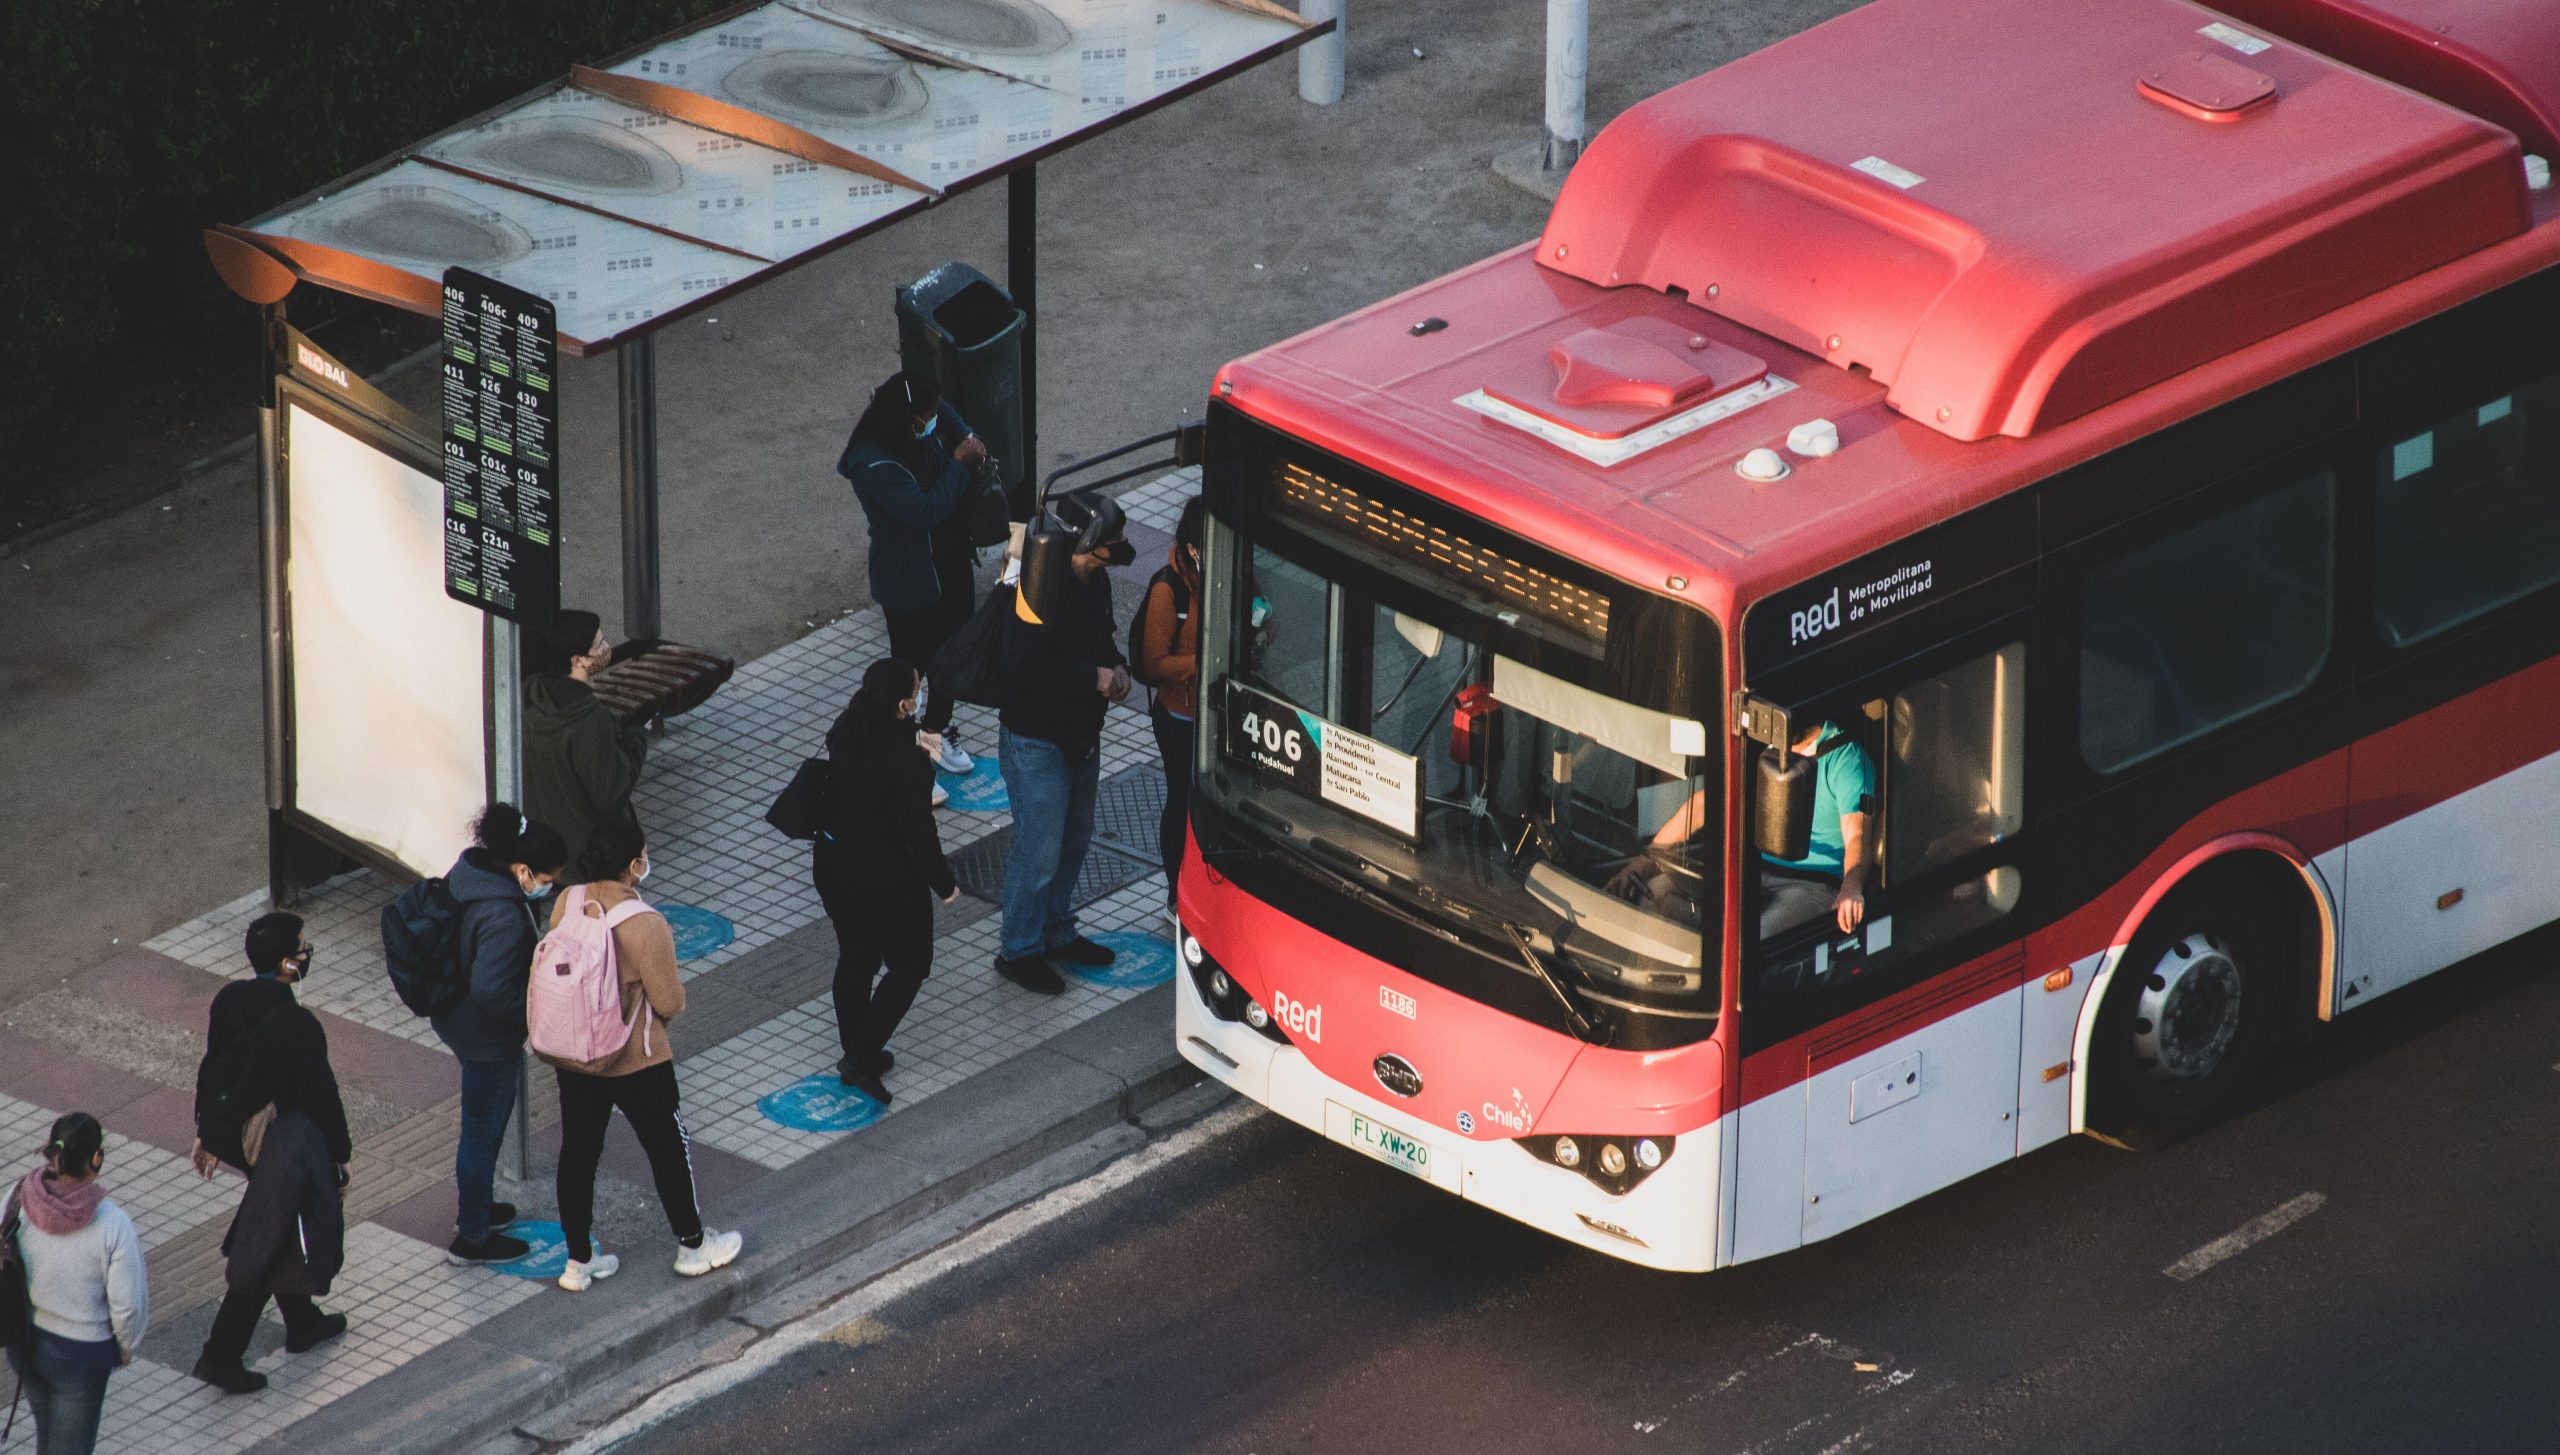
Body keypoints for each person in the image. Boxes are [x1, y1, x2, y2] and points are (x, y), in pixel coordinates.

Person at [540, 819, 742, 1293]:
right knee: (668, 1149)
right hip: (638, 1061)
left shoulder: (568, 902)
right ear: (634, 865)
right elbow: (669, 1002)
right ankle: (693, 1245)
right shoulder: (646, 924)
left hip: (575, 1056)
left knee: (579, 1154)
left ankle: (578, 1259)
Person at [189, 912, 350, 1395]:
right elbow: (320, 1094)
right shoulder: (297, 1024)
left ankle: (301, 1321)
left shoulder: (230, 999)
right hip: (284, 1143)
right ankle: (220, 1355)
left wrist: (208, 1134)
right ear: (287, 963)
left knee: (275, 1220)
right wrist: (340, 1154)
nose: (306, 954)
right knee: (266, 1238)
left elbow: (213, 1068)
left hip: (242, 1139)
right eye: (302, 949)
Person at [992, 493, 1134, 994]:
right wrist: (1089, 677)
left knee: (1074, 841)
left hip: (1081, 736)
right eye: (1109, 547)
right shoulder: (1035, 586)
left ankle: (1055, 930)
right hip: (1037, 742)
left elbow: (1103, 641)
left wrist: (1117, 668)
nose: (1114, 556)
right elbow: (1021, 665)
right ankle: (1019, 949)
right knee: (1040, 851)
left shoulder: (1095, 582)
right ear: (1083, 544)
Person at [814, 658, 961, 1104]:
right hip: (887, 879)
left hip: (835, 867)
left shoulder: (848, 727)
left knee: (857, 956)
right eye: (917, 693)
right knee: (911, 963)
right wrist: (945, 884)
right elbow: (920, 835)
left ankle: (856, 1047)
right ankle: (860, 1056)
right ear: (903, 704)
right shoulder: (906, 760)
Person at [837, 371, 991, 796]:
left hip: (949, 562)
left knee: (953, 653)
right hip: (909, 578)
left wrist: (966, 437)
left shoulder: (915, 423)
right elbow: (924, 511)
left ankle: (934, 736)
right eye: (926, 417)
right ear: (904, 418)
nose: (933, 422)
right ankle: (905, 756)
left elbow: (947, 415)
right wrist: (960, 464)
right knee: (909, 672)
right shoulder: (874, 463)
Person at [433, 803, 568, 1263]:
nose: (546, 889)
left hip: (457, 1016)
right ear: (522, 869)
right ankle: (472, 1237)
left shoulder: (470, 872)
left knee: (484, 1125)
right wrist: (533, 1014)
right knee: (482, 1131)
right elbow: (493, 988)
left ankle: (479, 1210)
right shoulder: (503, 915)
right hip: (485, 1035)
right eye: (546, 880)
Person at [1623, 720, 1874, 937]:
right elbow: (1701, 805)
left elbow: (1857, 836)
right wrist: (1644, 862)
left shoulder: (1846, 758)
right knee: (1654, 894)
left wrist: (1851, 888)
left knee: (1757, 940)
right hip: (1753, 871)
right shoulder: (1766, 747)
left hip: (1810, 884)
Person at [6, 1114, 148, 1455]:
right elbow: (127, 1304)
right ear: (96, 1157)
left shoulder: (19, 1196)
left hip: (24, 1342)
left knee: (48, 1437)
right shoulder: (111, 1223)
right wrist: (127, 1344)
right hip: (81, 1356)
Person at [524, 609, 647, 864]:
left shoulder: (529, 694)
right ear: (579, 660)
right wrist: (635, 736)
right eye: (599, 644)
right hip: (588, 853)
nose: (607, 647)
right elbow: (611, 794)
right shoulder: (589, 721)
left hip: (545, 846)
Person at [1135, 497, 1205, 919]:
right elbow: (1153, 664)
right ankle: (1175, 894)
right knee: (1182, 799)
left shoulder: (1228, 570)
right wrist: (1207, 661)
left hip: (1214, 713)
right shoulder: (1169, 588)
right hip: (1178, 716)